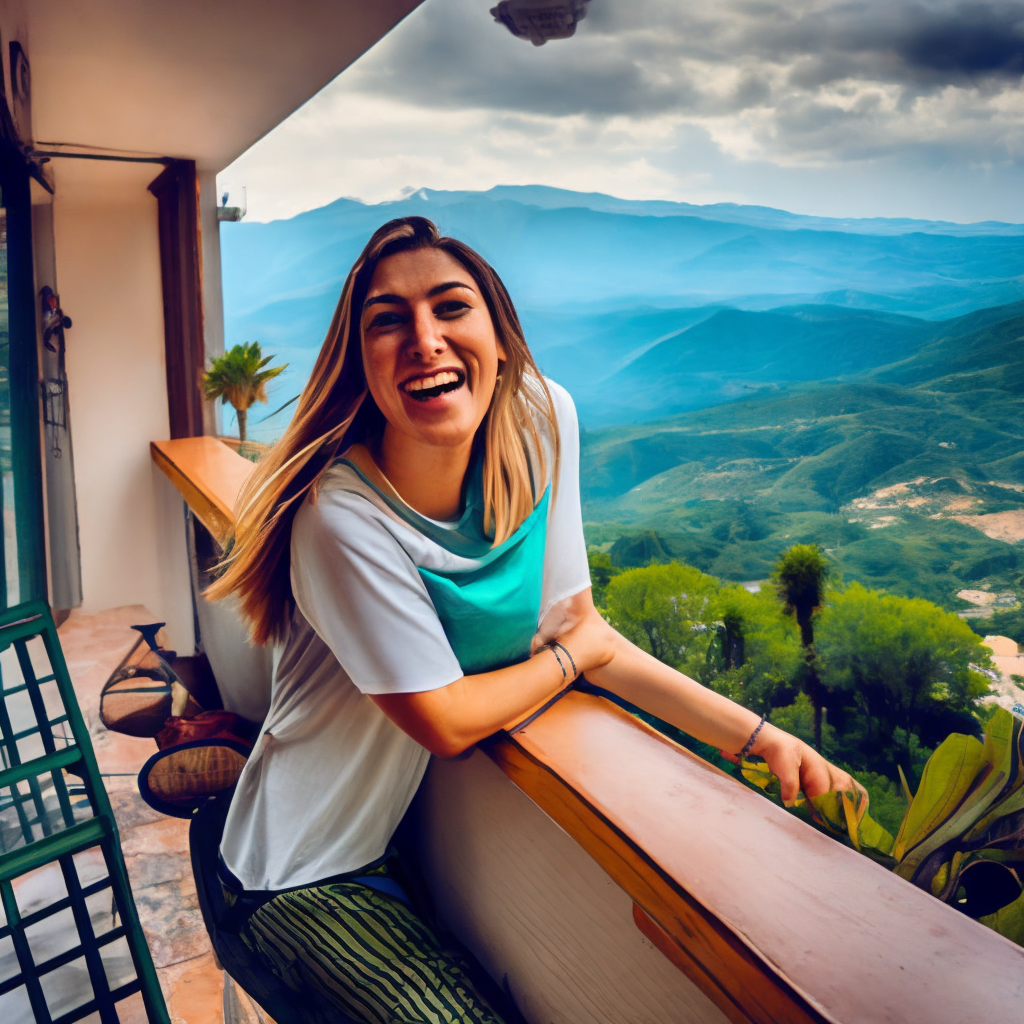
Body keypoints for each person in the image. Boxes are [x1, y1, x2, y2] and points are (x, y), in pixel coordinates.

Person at [206, 216, 858, 1024]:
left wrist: (760, 740)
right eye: (388, 321)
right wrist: (568, 662)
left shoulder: (543, 422)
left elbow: (586, 631)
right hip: (291, 872)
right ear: (360, 362)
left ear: (501, 337)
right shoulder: (340, 518)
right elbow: (449, 717)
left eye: (451, 307)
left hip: (383, 843)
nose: (425, 339)